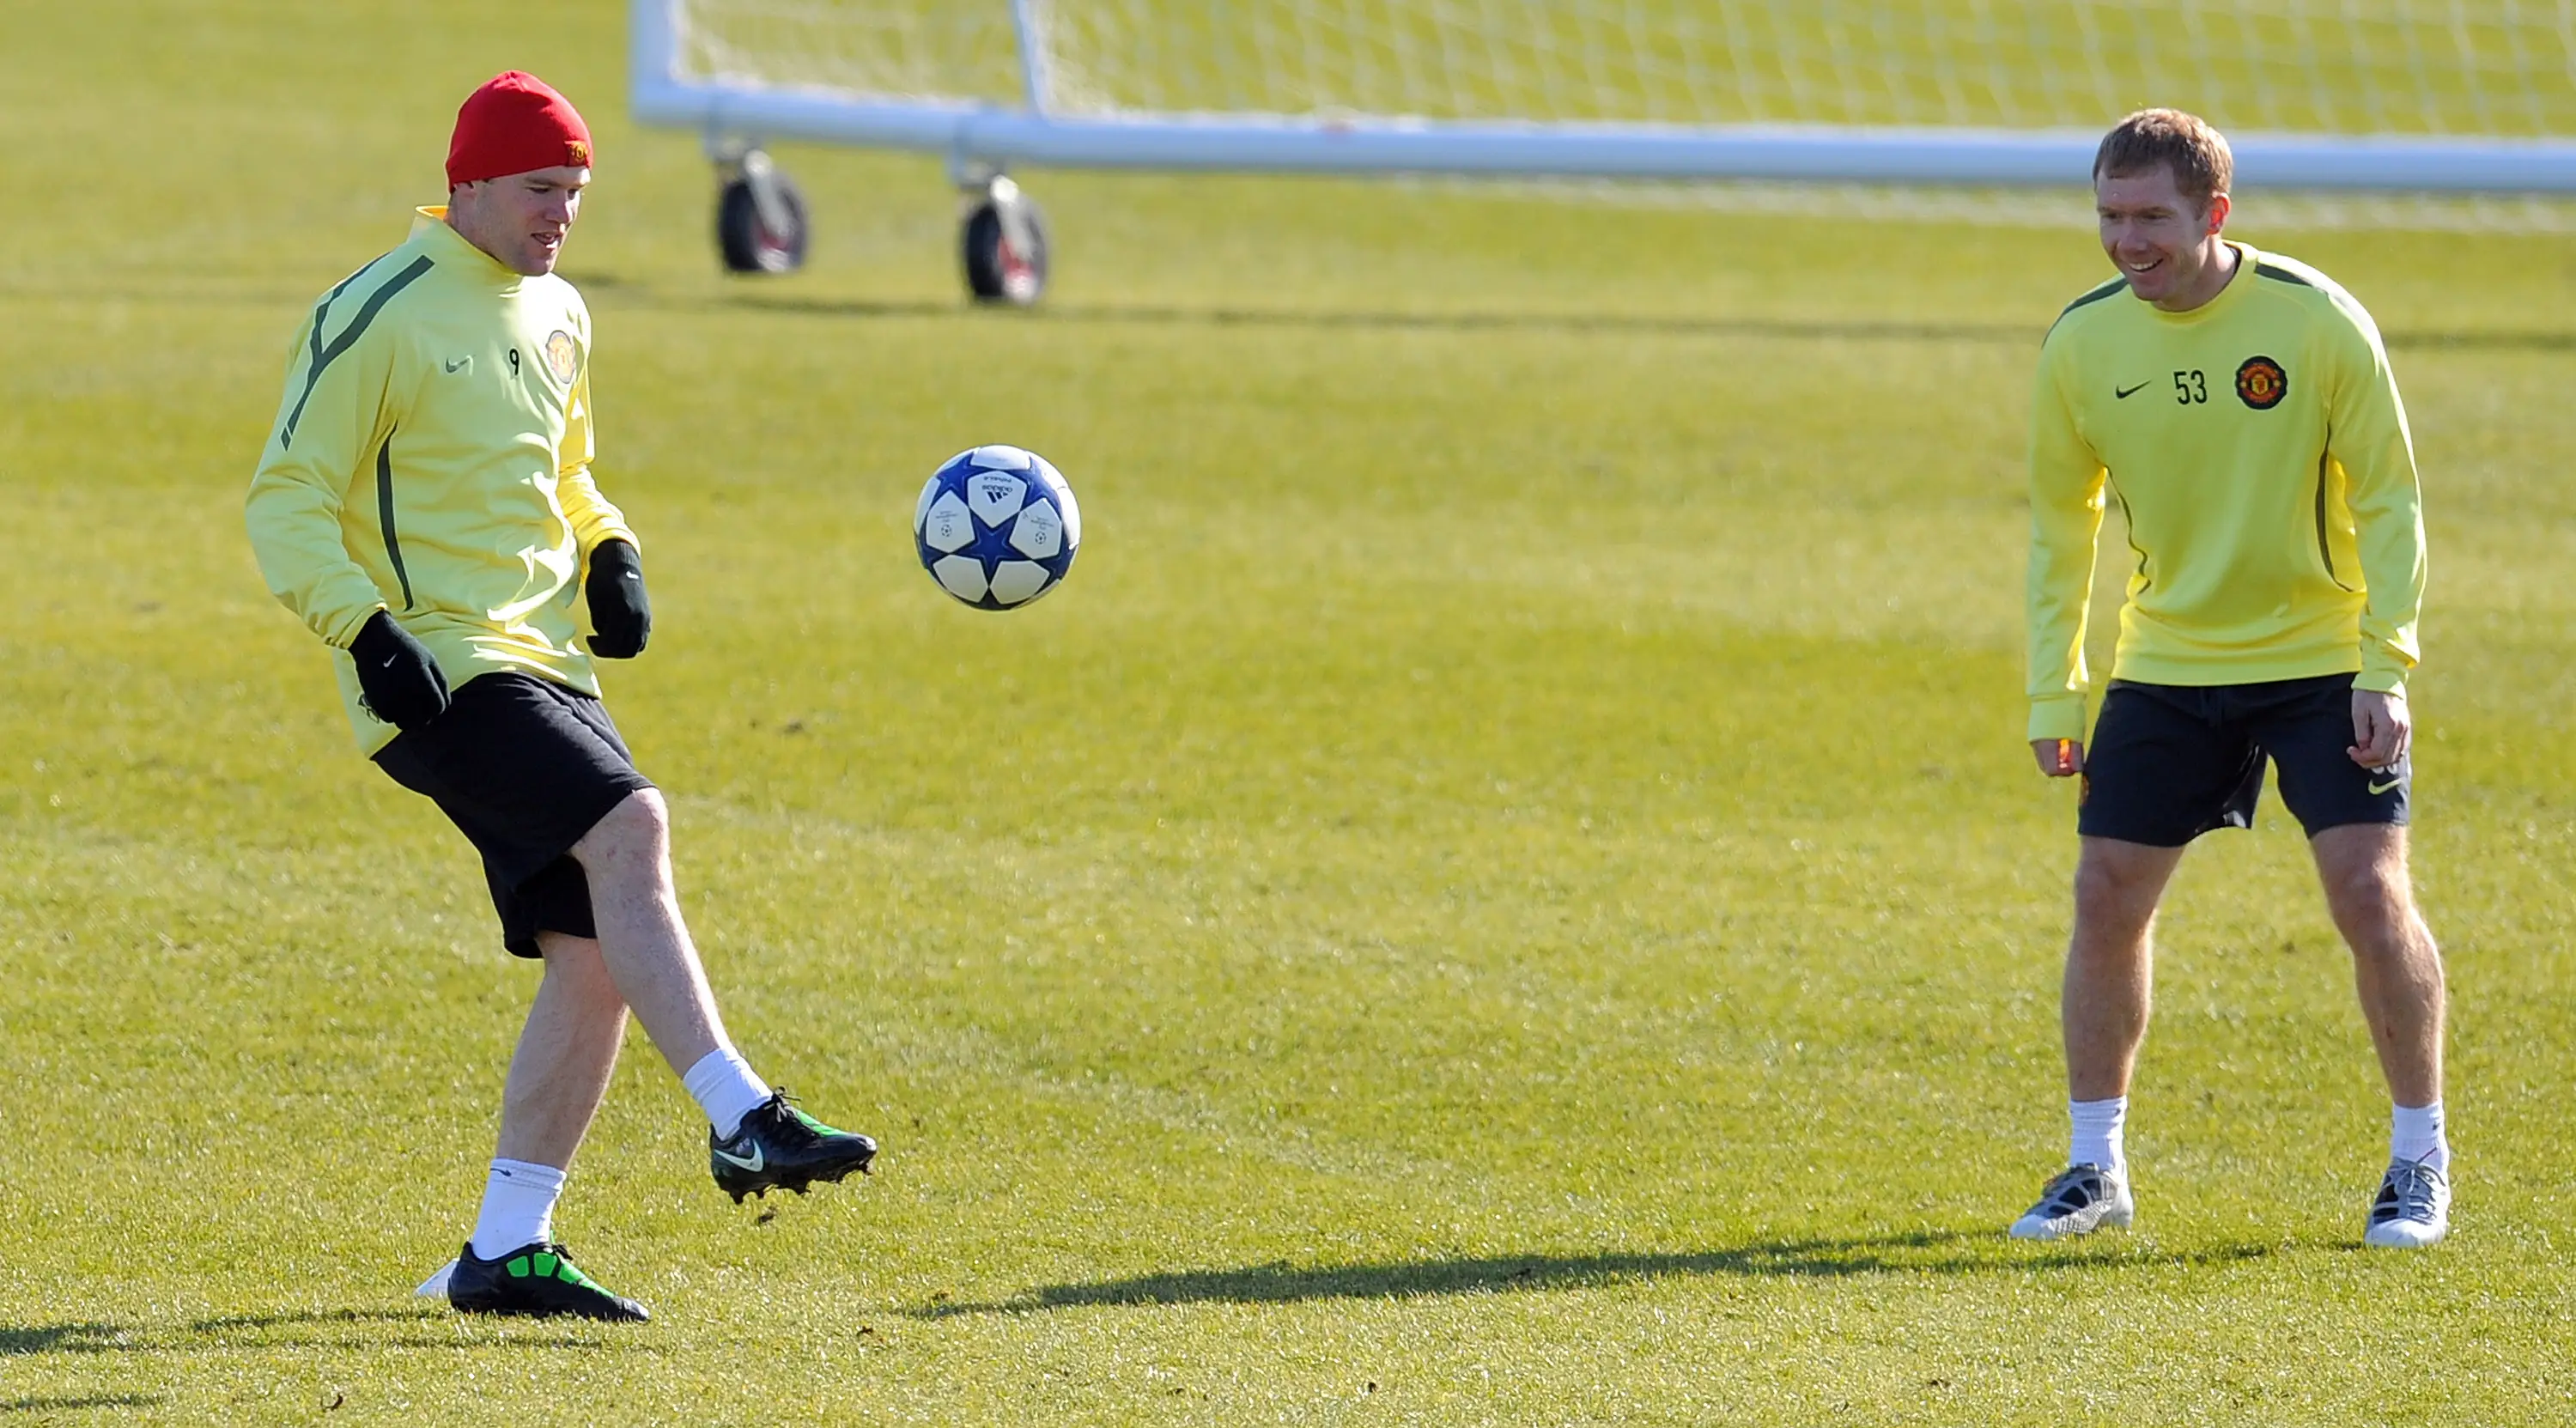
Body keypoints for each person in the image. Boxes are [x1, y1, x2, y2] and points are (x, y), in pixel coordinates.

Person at [245, 72, 879, 1322]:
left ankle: (505, 1247)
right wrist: (363, 631)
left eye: (576, 195)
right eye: (542, 191)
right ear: (467, 182)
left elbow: (566, 469)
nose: (560, 217)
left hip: (545, 660)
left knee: (593, 948)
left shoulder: (561, 310)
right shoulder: (378, 310)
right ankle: (744, 1115)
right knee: (631, 826)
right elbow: (285, 497)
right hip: (434, 663)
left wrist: (609, 549)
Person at [2015, 109, 2448, 1249]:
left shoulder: (2316, 323)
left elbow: (2392, 500)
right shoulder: (2082, 344)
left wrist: (2384, 664)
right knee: (2105, 893)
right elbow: (2062, 527)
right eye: (2109, 216)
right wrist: (2055, 696)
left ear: (2215, 213)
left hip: (2323, 661)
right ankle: (2094, 1166)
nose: (2126, 241)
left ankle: (2418, 1160)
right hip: (2167, 660)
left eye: (2150, 217)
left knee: (2367, 893)